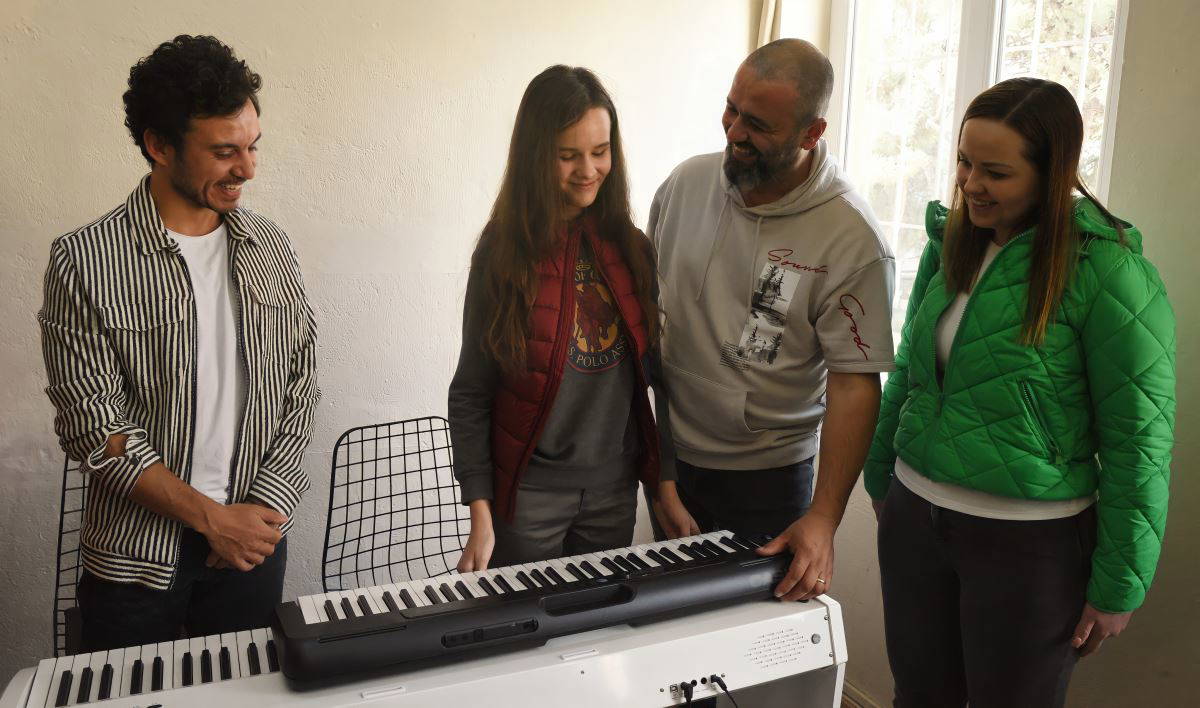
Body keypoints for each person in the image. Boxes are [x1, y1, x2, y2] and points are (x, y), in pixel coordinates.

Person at [864, 77, 1175, 708]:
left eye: (996, 172)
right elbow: (914, 377)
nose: (970, 184)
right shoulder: (952, 243)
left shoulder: (1109, 273)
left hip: (1029, 546)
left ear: (1051, 173)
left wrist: (1120, 584)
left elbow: (1138, 442)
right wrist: (880, 477)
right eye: (964, 162)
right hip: (915, 520)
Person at [38, 35, 320, 651]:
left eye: (252, 146)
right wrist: (212, 520)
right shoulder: (85, 260)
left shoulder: (271, 247)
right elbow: (93, 426)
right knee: (128, 692)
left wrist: (262, 510)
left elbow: (301, 385)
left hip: (254, 544)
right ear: (159, 146)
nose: (248, 169)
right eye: (224, 152)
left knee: (248, 690)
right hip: (135, 563)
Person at [647, 38, 895, 602]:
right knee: (670, 633)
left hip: (768, 479)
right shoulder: (685, 185)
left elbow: (855, 386)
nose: (734, 132)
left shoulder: (852, 239)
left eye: (757, 124)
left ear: (812, 133)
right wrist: (654, 467)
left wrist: (824, 518)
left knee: (750, 638)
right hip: (672, 461)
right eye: (731, 109)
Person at [448, 66, 682, 571]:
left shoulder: (632, 248)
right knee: (526, 619)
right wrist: (480, 512)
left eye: (600, 151)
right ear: (536, 156)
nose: (589, 170)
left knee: (602, 618)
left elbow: (655, 379)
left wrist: (664, 486)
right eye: (568, 155)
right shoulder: (502, 252)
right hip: (527, 498)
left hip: (613, 494)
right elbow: (471, 390)